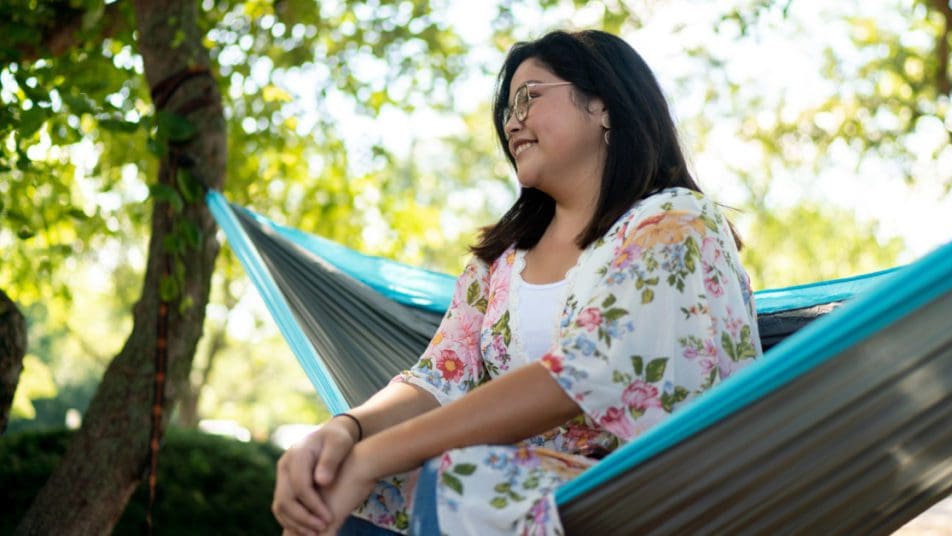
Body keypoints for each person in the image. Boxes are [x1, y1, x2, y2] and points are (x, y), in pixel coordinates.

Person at [273, 29, 762, 536]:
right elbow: (437, 380)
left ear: (604, 107)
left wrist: (371, 455)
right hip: (531, 491)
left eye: (529, 96)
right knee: (332, 489)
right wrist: (341, 434)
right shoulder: (499, 265)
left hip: (652, 492)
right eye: (507, 111)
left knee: (459, 481)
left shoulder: (675, 222)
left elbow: (582, 370)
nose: (512, 122)